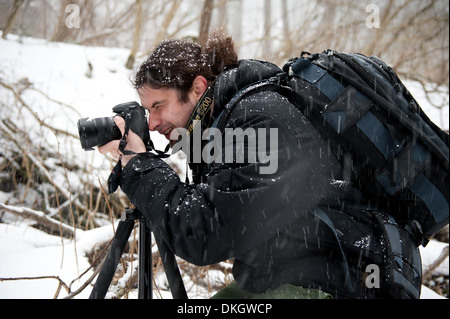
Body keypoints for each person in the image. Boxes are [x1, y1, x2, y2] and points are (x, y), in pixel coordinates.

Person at [98, 31, 409, 299]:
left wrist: (139, 166)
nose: (151, 124)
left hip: (341, 281)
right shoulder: (232, 119)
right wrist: (142, 164)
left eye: (158, 107)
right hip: (314, 272)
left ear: (197, 88)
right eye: (146, 111)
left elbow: (205, 235)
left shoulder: (255, 122)